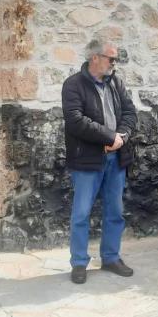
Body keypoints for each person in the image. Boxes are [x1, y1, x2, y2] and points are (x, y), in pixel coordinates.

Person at [61, 39, 138, 284]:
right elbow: (75, 120)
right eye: (111, 58)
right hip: (87, 159)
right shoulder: (73, 84)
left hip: (116, 157)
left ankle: (111, 257)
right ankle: (79, 262)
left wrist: (121, 137)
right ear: (94, 57)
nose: (114, 63)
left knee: (115, 211)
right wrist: (108, 137)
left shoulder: (116, 82)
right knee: (81, 213)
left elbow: (130, 113)